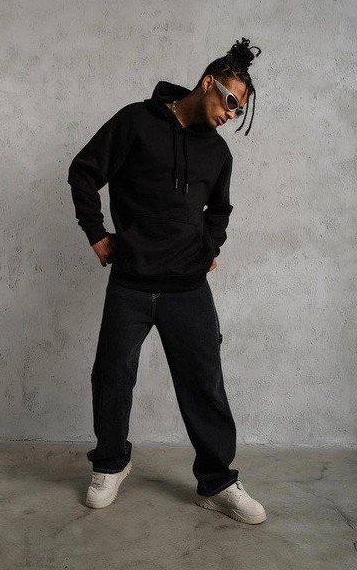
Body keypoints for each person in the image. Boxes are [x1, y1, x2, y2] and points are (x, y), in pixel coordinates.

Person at [67, 37, 266, 524]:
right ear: (208, 83)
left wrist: (209, 248)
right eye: (231, 101)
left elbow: (220, 210)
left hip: (187, 288)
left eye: (239, 110)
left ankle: (217, 482)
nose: (232, 114)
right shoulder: (136, 122)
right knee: (112, 375)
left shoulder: (218, 153)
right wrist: (96, 233)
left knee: (204, 383)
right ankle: (111, 463)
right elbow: (84, 171)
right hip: (131, 281)